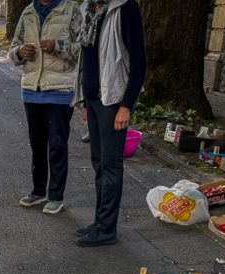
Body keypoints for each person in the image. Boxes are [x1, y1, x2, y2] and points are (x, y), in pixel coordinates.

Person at [73, 0, 146, 247]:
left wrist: (127, 105)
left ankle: (106, 230)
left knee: (110, 165)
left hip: (113, 101)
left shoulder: (125, 8)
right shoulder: (89, 9)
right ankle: (99, 222)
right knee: (98, 164)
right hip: (94, 100)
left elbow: (139, 61)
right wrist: (84, 100)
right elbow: (87, 59)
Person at [9, 0, 81, 216]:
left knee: (57, 145)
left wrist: (57, 47)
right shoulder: (29, 11)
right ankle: (38, 190)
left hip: (60, 89)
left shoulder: (71, 9)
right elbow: (12, 48)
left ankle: (56, 196)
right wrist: (20, 52)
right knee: (37, 144)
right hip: (32, 89)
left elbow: (84, 48)